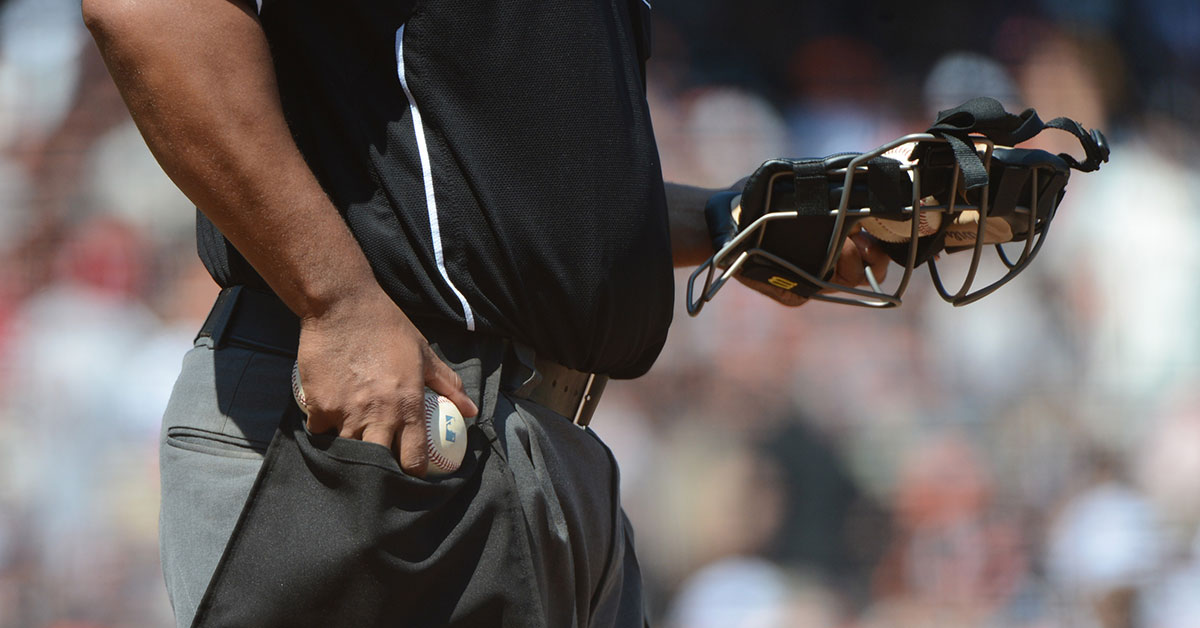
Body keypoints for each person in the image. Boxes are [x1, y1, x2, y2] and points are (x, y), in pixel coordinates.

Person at [82, 1, 889, 626]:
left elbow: (514, 197)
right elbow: (152, 11)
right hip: (380, 436)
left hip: (541, 454)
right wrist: (339, 300)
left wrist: (734, 219)